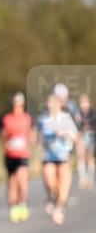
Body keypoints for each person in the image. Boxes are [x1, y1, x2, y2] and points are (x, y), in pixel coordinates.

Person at [38, 93, 80, 225]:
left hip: (63, 156)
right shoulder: (43, 119)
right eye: (50, 103)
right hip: (49, 156)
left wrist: (65, 133)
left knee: (63, 186)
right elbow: (37, 136)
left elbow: (75, 136)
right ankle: (52, 198)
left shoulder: (66, 118)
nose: (52, 106)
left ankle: (59, 208)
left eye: (55, 103)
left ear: (59, 105)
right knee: (51, 183)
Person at [0, 92, 34, 223]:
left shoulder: (27, 118)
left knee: (22, 180)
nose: (16, 108)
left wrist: (30, 146)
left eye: (19, 105)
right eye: (14, 105)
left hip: (22, 154)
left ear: (22, 105)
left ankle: (22, 203)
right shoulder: (6, 118)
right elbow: (2, 135)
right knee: (12, 182)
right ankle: (13, 207)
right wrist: (4, 145)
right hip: (10, 154)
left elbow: (31, 134)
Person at [77, 93, 95, 190]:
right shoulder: (77, 113)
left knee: (90, 156)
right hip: (81, 135)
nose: (84, 104)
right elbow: (76, 126)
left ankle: (91, 179)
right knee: (81, 155)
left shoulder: (92, 112)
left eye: (85, 101)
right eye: (82, 102)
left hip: (91, 136)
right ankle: (83, 178)